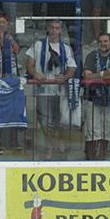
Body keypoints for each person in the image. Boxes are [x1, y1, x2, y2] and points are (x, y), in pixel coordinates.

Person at [25, 20, 78, 158]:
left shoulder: (66, 48)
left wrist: (65, 77)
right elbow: (29, 65)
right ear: (48, 29)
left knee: (57, 120)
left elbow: (72, 68)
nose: (54, 30)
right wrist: (36, 74)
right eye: (52, 28)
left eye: (57, 28)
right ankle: (51, 148)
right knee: (44, 121)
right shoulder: (38, 45)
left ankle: (56, 144)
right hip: (43, 89)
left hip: (60, 90)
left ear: (61, 30)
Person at [82, 32, 110, 160]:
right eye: (100, 41)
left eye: (106, 41)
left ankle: (102, 157)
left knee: (108, 129)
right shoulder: (91, 56)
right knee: (92, 130)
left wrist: (99, 75)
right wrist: (105, 73)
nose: (103, 44)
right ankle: (90, 158)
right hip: (92, 97)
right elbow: (87, 76)